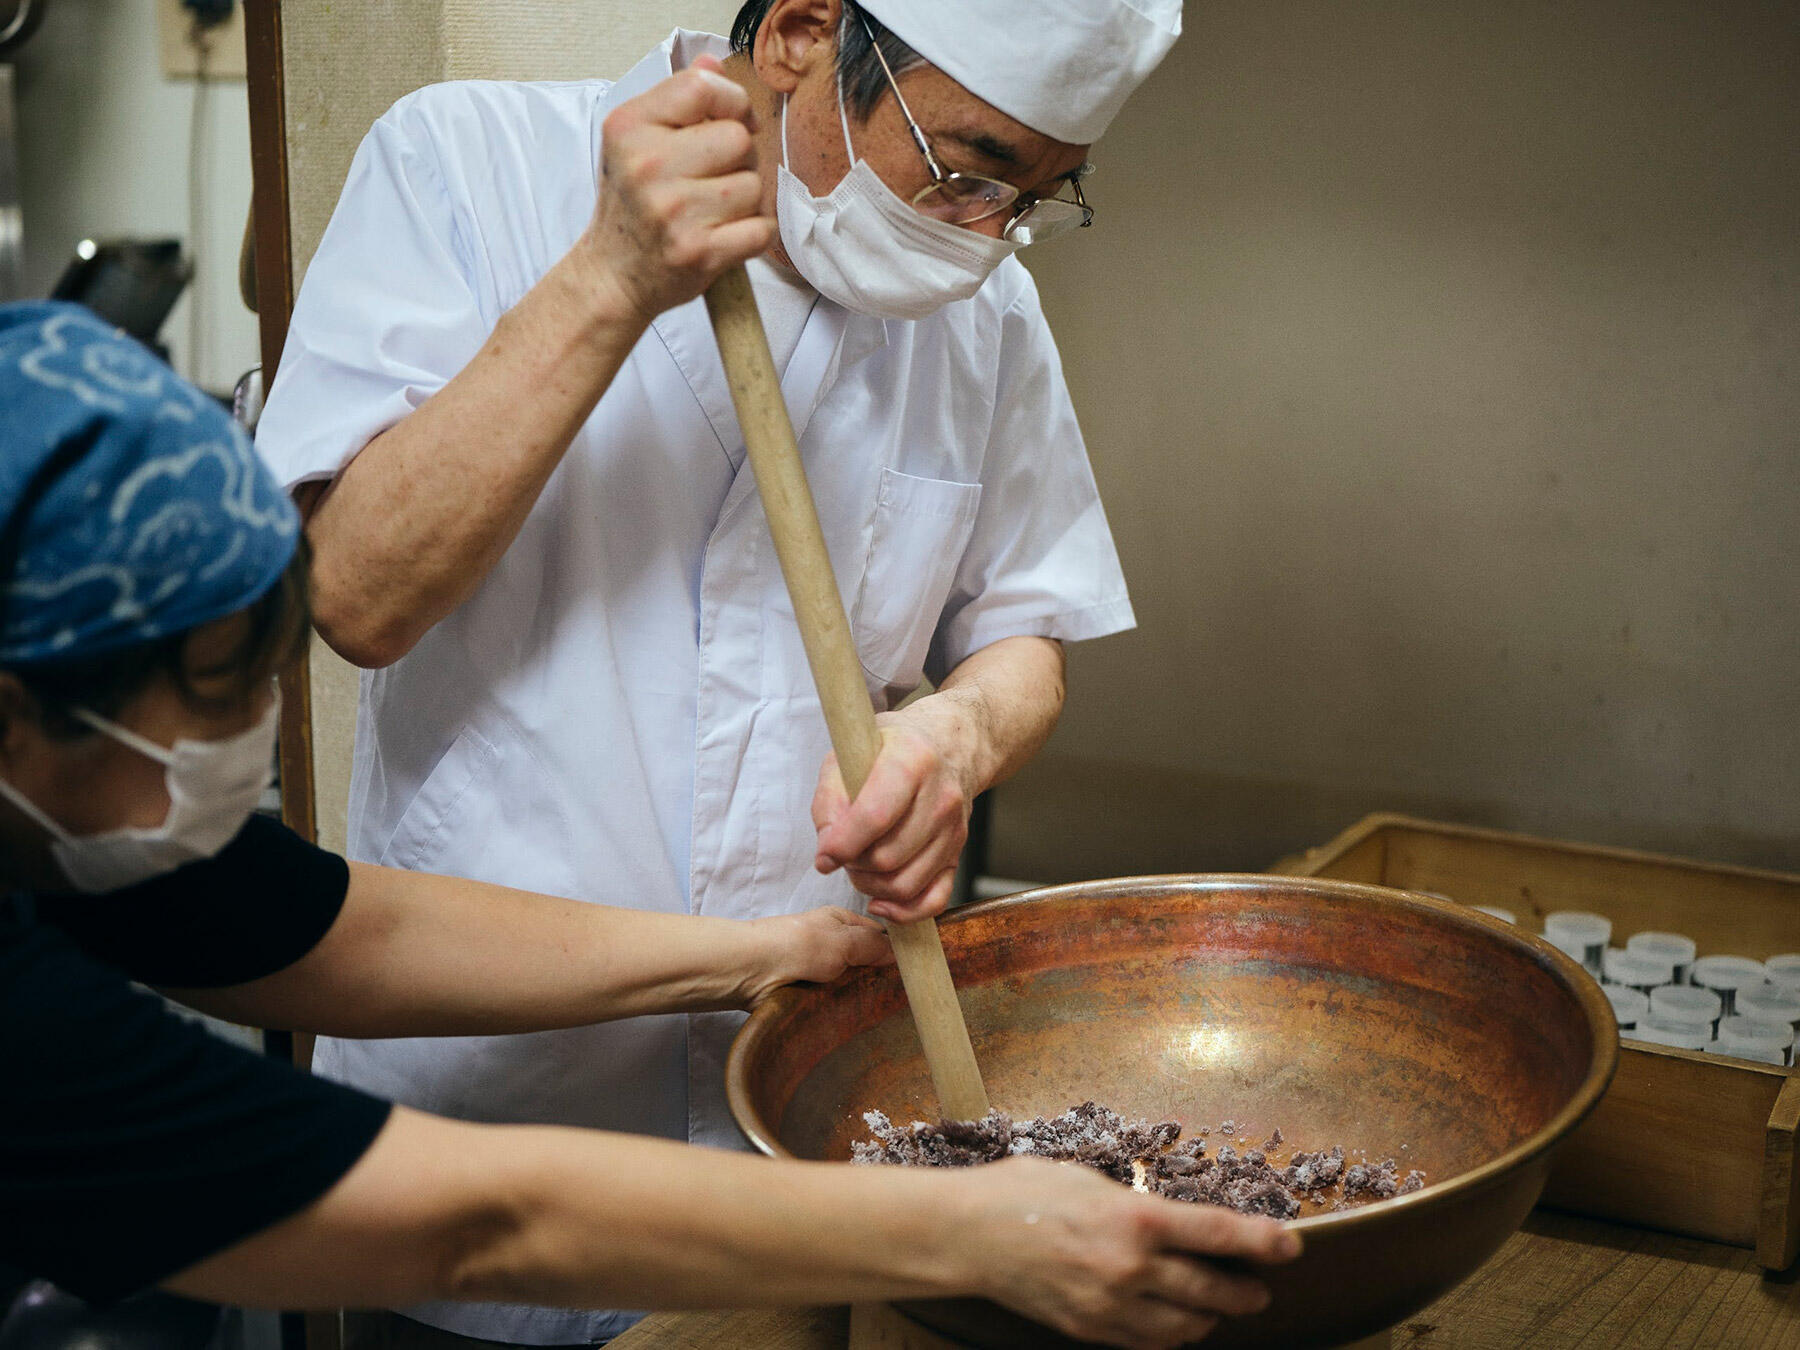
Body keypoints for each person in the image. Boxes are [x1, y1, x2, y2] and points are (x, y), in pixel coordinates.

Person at [0, 302, 1298, 1350]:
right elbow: (480, 1226)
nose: (247, 747)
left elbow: (336, 926)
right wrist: (973, 1231)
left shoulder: (63, 816)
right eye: (216, 704)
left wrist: (749, 955)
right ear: (18, 715)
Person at [255, 1, 1189, 1342]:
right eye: (970, 165)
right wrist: (609, 277)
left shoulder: (986, 315)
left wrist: (956, 739)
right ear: (803, 37)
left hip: (797, 1173)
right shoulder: (467, 164)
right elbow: (354, 594)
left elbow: (1026, 636)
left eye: (1039, 195)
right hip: (487, 1140)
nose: (986, 232)